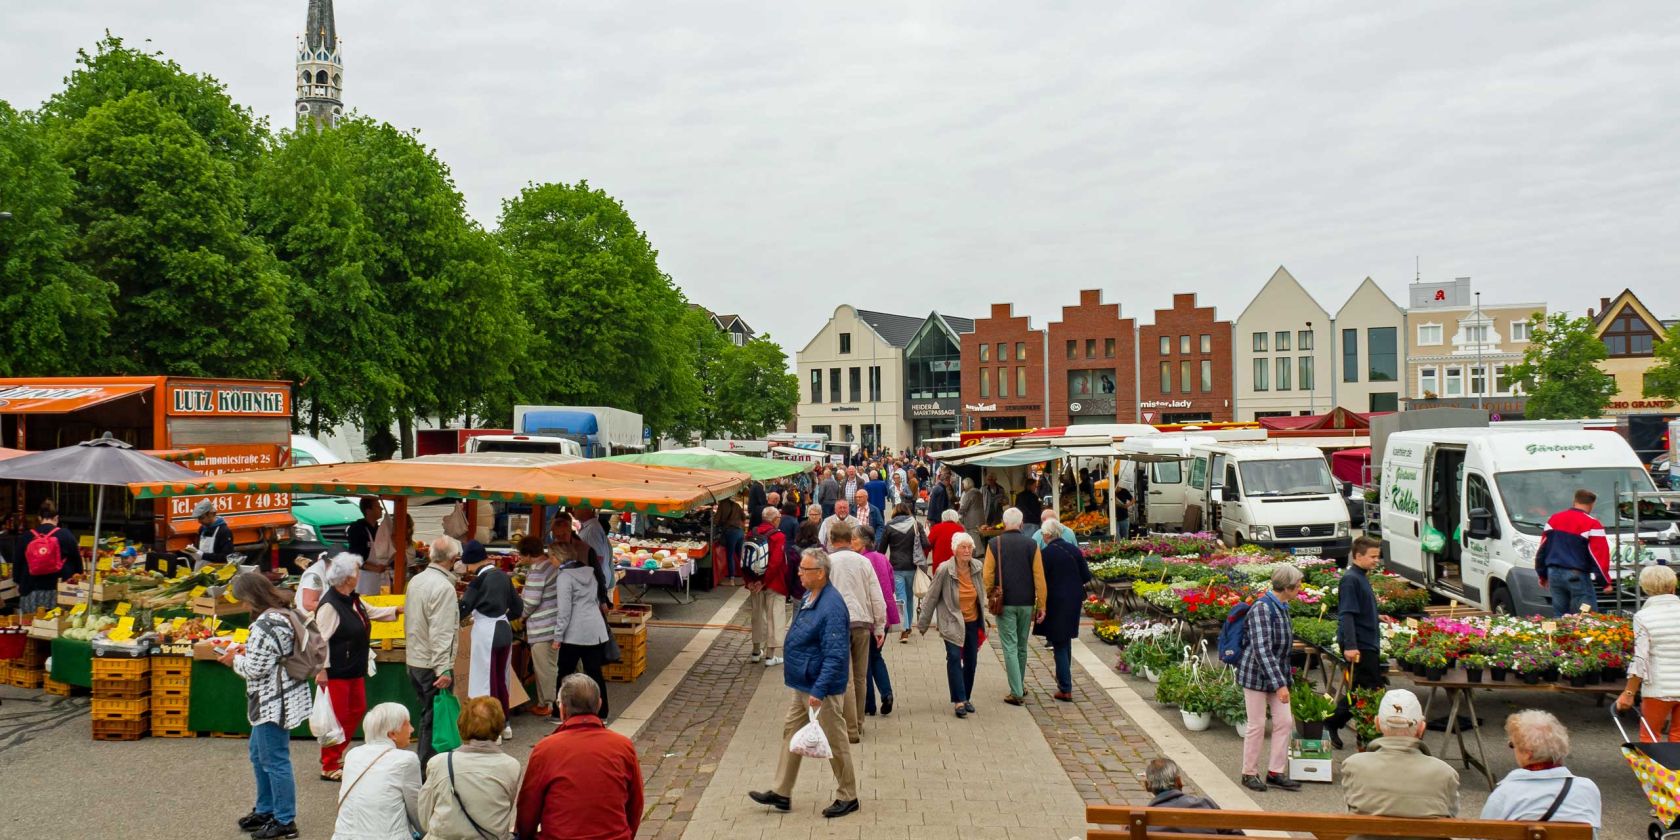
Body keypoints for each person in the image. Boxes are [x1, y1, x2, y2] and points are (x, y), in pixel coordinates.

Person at [747, 549, 860, 819]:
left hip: (820, 687)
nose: (798, 572)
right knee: (791, 731)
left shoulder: (831, 605)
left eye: (804, 570)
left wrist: (819, 691)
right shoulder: (812, 595)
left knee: (835, 740)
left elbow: (836, 654)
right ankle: (781, 791)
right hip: (804, 682)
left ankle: (849, 795)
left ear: (820, 573)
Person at [224, 572, 312, 840]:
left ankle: (284, 819)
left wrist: (232, 661)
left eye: (242, 600)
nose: (242, 605)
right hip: (285, 693)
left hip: (271, 700)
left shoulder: (264, 625)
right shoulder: (284, 612)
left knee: (274, 759)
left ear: (250, 597)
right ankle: (266, 809)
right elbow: (271, 656)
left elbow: (255, 668)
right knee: (259, 754)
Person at [518, 674, 644, 840]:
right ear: (599, 704)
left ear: (562, 709)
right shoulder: (623, 746)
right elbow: (635, 804)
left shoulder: (546, 749)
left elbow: (529, 808)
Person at [314, 552, 402, 781]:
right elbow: (320, 640)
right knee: (338, 718)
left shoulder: (352, 598)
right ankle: (329, 763)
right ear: (346, 577)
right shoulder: (330, 605)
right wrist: (321, 670)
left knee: (355, 711)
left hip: (354, 668)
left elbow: (371, 612)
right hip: (336, 672)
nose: (358, 574)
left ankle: (337, 754)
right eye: (355, 571)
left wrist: (396, 610)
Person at [1339, 689, 1459, 832]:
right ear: (1421, 728)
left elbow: (1349, 815)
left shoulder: (1353, 766)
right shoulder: (1445, 773)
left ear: (1377, 724)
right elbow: (1452, 817)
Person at [1481, 710, 1602, 836]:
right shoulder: (1587, 788)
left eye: (1512, 745)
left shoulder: (1505, 793)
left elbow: (1481, 836)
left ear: (1528, 753)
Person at [1237, 565, 1302, 792]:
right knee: (1256, 724)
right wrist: (1280, 685)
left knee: (1284, 721)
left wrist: (1281, 681)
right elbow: (1262, 650)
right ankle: (1249, 773)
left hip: (1276, 674)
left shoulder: (1282, 605)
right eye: (1298, 586)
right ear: (1287, 587)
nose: (1300, 589)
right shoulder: (1262, 609)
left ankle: (1275, 771)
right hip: (1255, 674)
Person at [419, 696, 521, 840]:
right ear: (499, 726)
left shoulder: (438, 763)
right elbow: (504, 812)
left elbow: (424, 818)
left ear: (461, 724)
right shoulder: (511, 766)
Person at [824, 521, 888, 743]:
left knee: (846, 678)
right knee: (860, 677)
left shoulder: (827, 563)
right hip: (862, 622)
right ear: (850, 540)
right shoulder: (863, 562)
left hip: (837, 624)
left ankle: (850, 729)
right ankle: (859, 723)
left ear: (831, 540)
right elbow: (876, 595)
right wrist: (879, 626)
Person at [407, 536, 463, 775]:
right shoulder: (443, 588)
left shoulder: (416, 581)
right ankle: (428, 771)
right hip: (431, 663)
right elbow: (441, 631)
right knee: (434, 720)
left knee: (428, 715)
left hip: (415, 659)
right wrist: (444, 668)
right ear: (452, 559)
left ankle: (427, 767)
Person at [916, 531, 986, 718]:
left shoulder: (977, 567)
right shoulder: (945, 570)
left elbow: (981, 592)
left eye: (969, 547)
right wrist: (923, 623)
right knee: (954, 657)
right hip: (951, 621)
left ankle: (966, 696)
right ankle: (959, 701)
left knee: (971, 661)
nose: (967, 550)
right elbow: (931, 597)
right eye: (963, 547)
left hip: (972, 621)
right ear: (954, 550)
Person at [1326, 536, 1386, 749]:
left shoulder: (1359, 576)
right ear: (1358, 556)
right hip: (1360, 645)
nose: (1376, 561)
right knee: (1365, 690)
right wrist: (1351, 646)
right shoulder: (1351, 579)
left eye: (1377, 556)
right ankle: (1335, 722)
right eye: (1372, 557)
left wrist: (1377, 617)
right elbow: (1347, 614)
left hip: (1366, 641)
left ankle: (1338, 724)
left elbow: (1358, 608)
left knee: (1363, 690)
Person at [983, 508, 1047, 706]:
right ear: (1021, 523)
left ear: (1003, 522)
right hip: (1027, 602)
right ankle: (1019, 683)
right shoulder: (1032, 544)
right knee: (1021, 645)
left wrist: (990, 594)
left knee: (1009, 646)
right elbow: (1039, 576)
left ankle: (1016, 690)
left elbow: (987, 575)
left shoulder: (995, 543)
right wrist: (1042, 603)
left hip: (1005, 603)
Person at [332, 702, 422, 840]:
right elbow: (417, 811)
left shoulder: (352, 755)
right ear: (392, 734)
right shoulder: (406, 760)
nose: (412, 729)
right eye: (407, 724)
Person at [458, 540, 523, 725]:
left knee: (486, 681)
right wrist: (503, 618)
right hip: (504, 628)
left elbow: (464, 607)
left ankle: (492, 725)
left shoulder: (478, 581)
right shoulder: (503, 576)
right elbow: (518, 607)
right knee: (501, 678)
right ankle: (505, 723)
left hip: (486, 632)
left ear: (470, 561)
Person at [551, 529, 614, 721]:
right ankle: (602, 712)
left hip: (574, 632)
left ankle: (558, 712)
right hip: (594, 629)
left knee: (564, 672)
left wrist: (557, 637)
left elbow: (564, 610)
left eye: (551, 557)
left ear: (558, 557)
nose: (550, 561)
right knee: (594, 672)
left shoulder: (564, 577)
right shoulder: (590, 572)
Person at [1620, 564, 1680, 740]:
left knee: (1650, 738)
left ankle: (1653, 768)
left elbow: (1641, 658)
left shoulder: (1643, 617)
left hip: (1658, 689)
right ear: (1673, 586)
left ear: (1645, 589)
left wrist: (1629, 693)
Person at [1036, 518, 1091, 702]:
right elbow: (1086, 576)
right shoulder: (1073, 549)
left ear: (1048, 535)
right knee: (1065, 640)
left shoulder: (1046, 553)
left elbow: (1041, 581)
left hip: (1055, 602)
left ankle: (1065, 687)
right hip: (1074, 601)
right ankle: (1064, 681)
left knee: (1059, 642)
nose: (1043, 536)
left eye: (1043, 533)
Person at [1534, 488, 1611, 615]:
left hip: (1553, 573)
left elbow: (1542, 549)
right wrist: (1604, 582)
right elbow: (1599, 556)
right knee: (1585, 618)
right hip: (1576, 575)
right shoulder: (1592, 524)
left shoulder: (1554, 519)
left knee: (1560, 616)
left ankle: (1559, 635)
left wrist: (1542, 575)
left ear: (1574, 501)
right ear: (1592, 504)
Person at [855, 526, 900, 717]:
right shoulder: (882, 558)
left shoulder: (861, 561)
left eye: (854, 539)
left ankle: (869, 704)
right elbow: (891, 584)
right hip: (885, 615)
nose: (851, 542)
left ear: (864, 541)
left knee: (865, 660)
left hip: (868, 615)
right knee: (876, 656)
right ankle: (887, 693)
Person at [518, 536, 560, 717]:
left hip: (543, 626)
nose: (520, 558)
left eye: (521, 555)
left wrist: (519, 616)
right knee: (548, 665)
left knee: (544, 668)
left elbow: (530, 602)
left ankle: (548, 704)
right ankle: (544, 702)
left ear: (528, 555)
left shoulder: (537, 572)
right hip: (553, 622)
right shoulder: (551, 565)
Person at [1141, 758, 1241, 835]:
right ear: (1179, 781)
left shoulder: (1141, 820)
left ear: (1148, 786)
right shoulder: (1205, 804)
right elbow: (1236, 835)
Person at [18, 499, 81, 614]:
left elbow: (17, 569)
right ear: (56, 518)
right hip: (58, 592)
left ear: (39, 518)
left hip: (31, 591)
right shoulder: (66, 535)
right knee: (58, 626)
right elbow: (78, 567)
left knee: (32, 626)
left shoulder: (26, 537)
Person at [878, 502, 927, 644]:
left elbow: (881, 549)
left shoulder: (889, 526)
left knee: (901, 597)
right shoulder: (916, 525)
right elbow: (926, 543)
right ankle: (909, 625)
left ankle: (904, 628)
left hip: (896, 566)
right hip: (913, 565)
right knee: (910, 596)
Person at [747, 506, 790, 667]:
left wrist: (751, 581)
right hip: (773, 583)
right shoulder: (778, 536)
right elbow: (776, 562)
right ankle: (771, 656)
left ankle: (756, 651)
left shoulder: (752, 533)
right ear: (774, 519)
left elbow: (745, 558)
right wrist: (764, 581)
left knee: (757, 617)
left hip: (754, 581)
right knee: (774, 617)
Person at [346, 496, 390, 596]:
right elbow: (354, 558)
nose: (381, 509)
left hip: (381, 580)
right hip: (364, 582)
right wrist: (374, 568)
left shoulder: (380, 529)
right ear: (368, 510)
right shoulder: (357, 529)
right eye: (377, 506)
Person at [571, 504, 616, 596]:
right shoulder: (591, 527)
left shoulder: (592, 530)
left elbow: (598, 558)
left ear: (585, 509)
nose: (573, 511)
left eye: (575, 507)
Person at [184, 498, 234, 569]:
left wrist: (203, 555)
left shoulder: (224, 531)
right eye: (198, 518)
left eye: (202, 518)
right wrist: (193, 551)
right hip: (200, 569)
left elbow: (226, 557)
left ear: (211, 514)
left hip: (216, 572)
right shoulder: (202, 529)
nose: (199, 521)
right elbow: (199, 549)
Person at [714, 493, 747, 585]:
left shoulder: (722, 505)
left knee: (730, 555)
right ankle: (745, 577)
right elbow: (744, 517)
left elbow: (716, 520)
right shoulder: (736, 505)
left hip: (731, 532)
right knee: (740, 554)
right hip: (740, 531)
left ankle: (731, 580)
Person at [927, 508, 965, 573]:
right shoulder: (961, 529)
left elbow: (927, 545)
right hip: (956, 564)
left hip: (939, 565)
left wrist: (922, 560)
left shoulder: (936, 528)